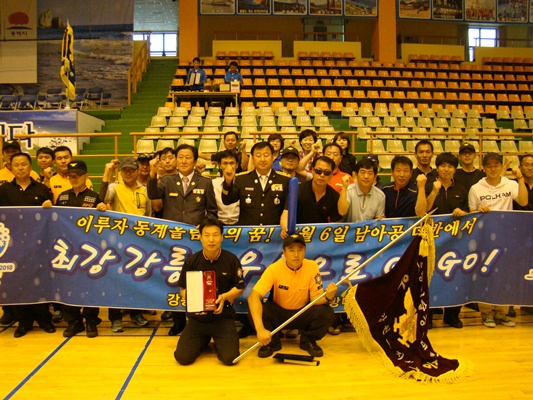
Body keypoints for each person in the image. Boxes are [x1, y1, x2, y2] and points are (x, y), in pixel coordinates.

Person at [148, 143, 217, 335]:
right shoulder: (167, 180)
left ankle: (198, 319)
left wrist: (205, 225)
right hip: (172, 241)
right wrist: (152, 174)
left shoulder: (205, 182)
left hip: (196, 241)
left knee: (196, 279)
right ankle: (178, 320)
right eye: (180, 157)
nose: (184, 161)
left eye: (188, 157)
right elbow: (153, 194)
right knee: (175, 278)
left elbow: (212, 211)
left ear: (195, 161)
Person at [248, 233, 337, 358]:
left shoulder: (312, 266)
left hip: (302, 313)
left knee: (326, 312)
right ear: (284, 252)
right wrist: (260, 329)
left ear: (304, 251)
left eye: (300, 250)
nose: (296, 255)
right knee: (255, 310)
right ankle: (272, 342)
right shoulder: (274, 269)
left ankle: (308, 341)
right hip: (278, 313)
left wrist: (328, 296)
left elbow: (315, 300)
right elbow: (253, 296)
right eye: (291, 250)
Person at [468, 152, 528, 328]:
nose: (493, 169)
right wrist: (479, 211)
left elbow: (523, 202)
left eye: (496, 165)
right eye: (489, 165)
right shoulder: (476, 188)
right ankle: (487, 314)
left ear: (501, 167)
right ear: (484, 168)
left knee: (505, 276)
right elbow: (471, 215)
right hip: (484, 238)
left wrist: (521, 179)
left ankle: (502, 314)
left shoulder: (510, 184)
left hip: (507, 237)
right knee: (485, 275)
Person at [174, 218, 244, 366]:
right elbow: (183, 289)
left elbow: (239, 287)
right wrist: (194, 304)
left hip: (223, 318)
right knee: (182, 358)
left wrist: (224, 297)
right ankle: (203, 339)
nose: (211, 239)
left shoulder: (231, 260)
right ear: (200, 237)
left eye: (215, 235)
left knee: (230, 359)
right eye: (206, 235)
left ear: (222, 237)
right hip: (198, 320)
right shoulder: (192, 261)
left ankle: (218, 340)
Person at [0, 153, 55, 338]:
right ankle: (23, 321)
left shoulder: (41, 188)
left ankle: (44, 319)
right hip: (13, 246)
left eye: (24, 164)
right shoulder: (3, 190)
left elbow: (52, 216)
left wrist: (49, 205)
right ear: (10, 167)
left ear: (30, 166)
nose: (20, 168)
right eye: (16, 165)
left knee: (40, 280)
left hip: (39, 244)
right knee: (18, 281)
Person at [55, 160, 107, 338]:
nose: (74, 178)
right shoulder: (62, 197)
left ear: (86, 176)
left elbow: (104, 223)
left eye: (78, 175)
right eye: (71, 175)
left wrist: (103, 208)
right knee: (68, 285)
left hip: (89, 250)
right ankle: (73, 321)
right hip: (67, 250)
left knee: (91, 284)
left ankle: (91, 320)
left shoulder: (94, 197)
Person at [100, 156, 151, 332]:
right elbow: (102, 198)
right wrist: (107, 173)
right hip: (118, 242)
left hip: (139, 242)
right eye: (125, 170)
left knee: (137, 279)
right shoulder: (114, 188)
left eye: (131, 170)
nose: (128, 173)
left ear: (138, 171)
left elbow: (149, 216)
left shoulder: (144, 190)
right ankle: (115, 317)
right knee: (116, 280)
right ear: (121, 172)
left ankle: (136, 313)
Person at [425, 152, 469, 329]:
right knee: (430, 278)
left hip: (455, 242)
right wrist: (434, 191)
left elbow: (468, 211)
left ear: (455, 170)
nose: (446, 169)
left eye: (450, 166)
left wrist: (463, 212)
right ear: (437, 168)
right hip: (431, 241)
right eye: (443, 165)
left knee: (454, 277)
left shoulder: (461, 189)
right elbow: (423, 210)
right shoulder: (428, 186)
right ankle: (427, 316)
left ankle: (452, 315)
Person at [222, 141, 290, 229]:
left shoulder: (284, 180)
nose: (262, 159)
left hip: (274, 233)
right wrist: (228, 183)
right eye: (258, 156)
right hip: (248, 233)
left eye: (266, 155)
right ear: (253, 158)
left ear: (273, 157)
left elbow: (288, 208)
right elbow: (227, 201)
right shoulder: (242, 179)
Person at [283, 155, 341, 225]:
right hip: (297, 230)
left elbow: (335, 224)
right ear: (312, 171)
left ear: (331, 174)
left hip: (322, 231)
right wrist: (286, 228)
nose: (322, 175)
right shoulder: (298, 190)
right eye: (318, 171)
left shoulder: (334, 196)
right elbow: (286, 214)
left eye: (327, 172)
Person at [338, 157, 385, 222]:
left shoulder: (380, 195)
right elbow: (342, 212)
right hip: (349, 227)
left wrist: (380, 219)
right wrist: (344, 188)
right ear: (356, 175)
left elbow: (379, 219)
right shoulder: (348, 190)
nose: (366, 176)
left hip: (369, 228)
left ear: (375, 176)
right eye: (362, 172)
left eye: (370, 173)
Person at [211, 150, 240, 225]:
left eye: (231, 163)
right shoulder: (213, 184)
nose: (228, 167)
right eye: (225, 163)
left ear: (237, 165)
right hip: (218, 222)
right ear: (220, 165)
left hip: (240, 223)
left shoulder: (243, 183)